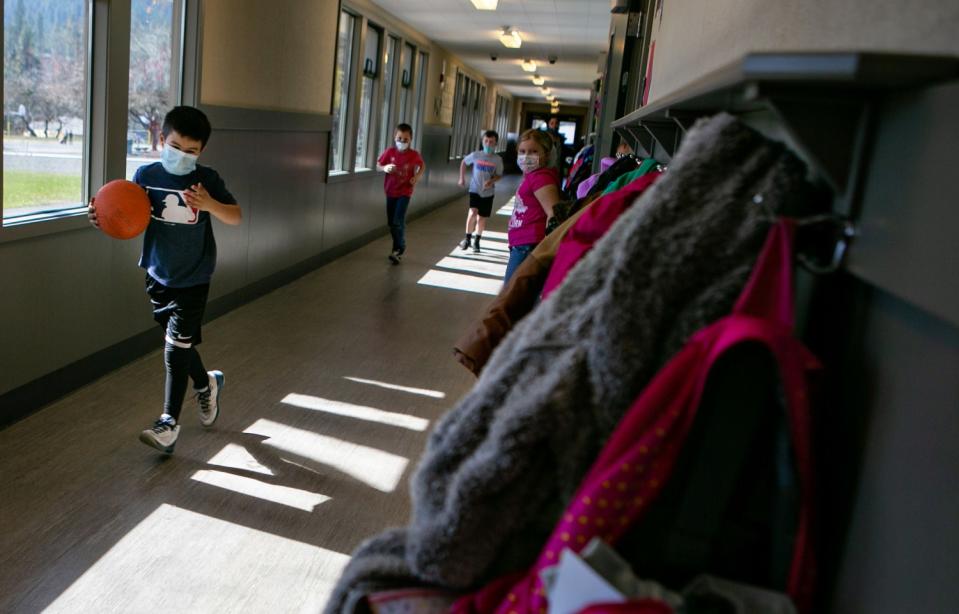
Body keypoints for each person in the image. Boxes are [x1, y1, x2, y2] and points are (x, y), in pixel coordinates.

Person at [87, 106, 241, 454]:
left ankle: (168, 423)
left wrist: (210, 203)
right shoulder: (145, 175)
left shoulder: (208, 180)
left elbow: (236, 216)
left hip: (194, 277)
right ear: (161, 140)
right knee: (180, 345)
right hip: (157, 274)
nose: (182, 155)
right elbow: (122, 213)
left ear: (201, 151)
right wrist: (100, 217)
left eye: (192, 151)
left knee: (175, 349)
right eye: (175, 146)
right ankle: (207, 384)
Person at [505, 128, 561, 283]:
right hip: (522, 244)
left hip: (529, 246)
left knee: (511, 299)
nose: (526, 156)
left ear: (547, 154)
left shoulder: (541, 178)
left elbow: (554, 213)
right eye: (522, 151)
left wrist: (548, 248)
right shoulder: (532, 176)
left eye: (533, 151)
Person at [376, 123, 426, 264]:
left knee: (397, 221)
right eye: (399, 138)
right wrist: (385, 168)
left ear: (410, 140)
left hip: (405, 192)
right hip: (390, 191)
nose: (402, 142)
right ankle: (398, 246)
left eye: (405, 139)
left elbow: (422, 166)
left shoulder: (414, 155)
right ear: (394, 137)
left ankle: (398, 249)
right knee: (392, 223)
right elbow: (378, 165)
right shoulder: (390, 152)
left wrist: (416, 176)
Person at [458, 130, 503, 253]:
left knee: (481, 218)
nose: (488, 144)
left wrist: (492, 181)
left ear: (496, 144)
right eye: (486, 141)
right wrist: (461, 178)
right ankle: (467, 238)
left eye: (491, 142)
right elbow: (463, 162)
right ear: (482, 142)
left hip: (488, 192)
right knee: (473, 212)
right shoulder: (476, 155)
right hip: (475, 189)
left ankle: (477, 240)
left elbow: (499, 175)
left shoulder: (497, 160)